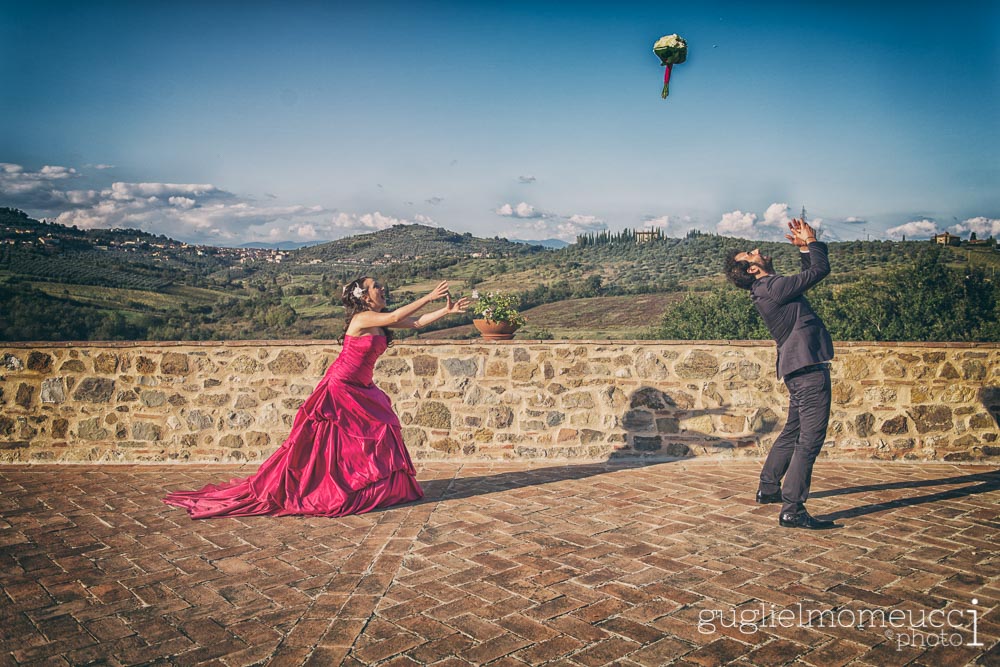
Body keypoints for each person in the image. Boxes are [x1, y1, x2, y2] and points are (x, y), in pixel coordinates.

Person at [163, 278, 469, 519]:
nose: (382, 289)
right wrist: (429, 296)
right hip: (341, 385)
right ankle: (331, 487)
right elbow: (398, 315)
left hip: (362, 387)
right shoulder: (363, 318)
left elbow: (414, 323)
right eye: (376, 286)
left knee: (382, 426)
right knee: (331, 441)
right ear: (364, 296)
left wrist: (446, 311)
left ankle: (368, 486)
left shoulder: (377, 319)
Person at [724, 219, 837, 529]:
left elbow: (805, 277)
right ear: (752, 269)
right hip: (808, 371)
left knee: (792, 431)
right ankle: (793, 508)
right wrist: (812, 242)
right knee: (809, 441)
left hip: (797, 370)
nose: (757, 250)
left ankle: (769, 487)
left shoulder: (767, 289)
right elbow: (819, 271)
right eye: (751, 254)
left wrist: (804, 250)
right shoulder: (772, 287)